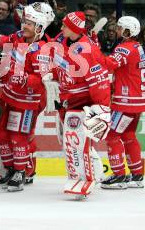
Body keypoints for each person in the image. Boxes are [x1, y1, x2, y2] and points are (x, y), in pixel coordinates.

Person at [49, 11, 111, 198]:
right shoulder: (65, 41)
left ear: (74, 28)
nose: (61, 28)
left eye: (65, 25)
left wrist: (102, 106)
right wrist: (52, 75)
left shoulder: (85, 49)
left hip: (83, 103)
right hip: (68, 100)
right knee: (70, 142)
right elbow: (63, 66)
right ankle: (78, 176)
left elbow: (98, 77)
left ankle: (86, 179)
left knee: (77, 141)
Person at [0, 2, 53, 192]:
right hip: (9, 96)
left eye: (29, 23)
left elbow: (42, 78)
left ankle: (21, 171)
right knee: (0, 134)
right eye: (24, 21)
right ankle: (11, 168)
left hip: (28, 102)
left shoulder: (41, 50)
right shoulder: (19, 37)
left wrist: (25, 78)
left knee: (19, 137)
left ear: (40, 27)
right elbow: (6, 41)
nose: (24, 25)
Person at [101, 16, 144, 189]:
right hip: (137, 100)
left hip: (126, 102)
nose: (117, 31)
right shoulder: (138, 47)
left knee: (112, 136)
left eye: (120, 28)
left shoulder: (124, 48)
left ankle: (119, 175)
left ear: (127, 32)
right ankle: (137, 174)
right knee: (128, 136)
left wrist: (92, 51)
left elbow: (109, 64)